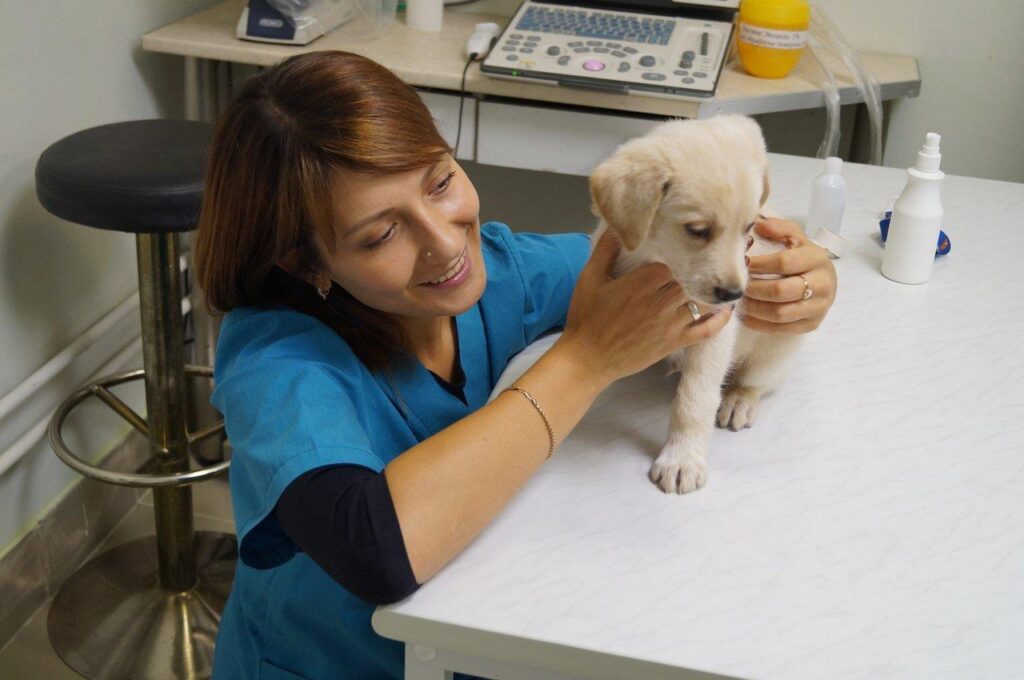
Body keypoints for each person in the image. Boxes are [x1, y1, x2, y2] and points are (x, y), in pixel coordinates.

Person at [194, 50, 837, 680]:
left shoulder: (498, 273)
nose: (445, 242)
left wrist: (799, 280)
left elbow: (634, 271)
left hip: (480, 645)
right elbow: (375, 551)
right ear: (305, 263)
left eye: (440, 182)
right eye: (381, 235)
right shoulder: (276, 361)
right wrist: (587, 358)